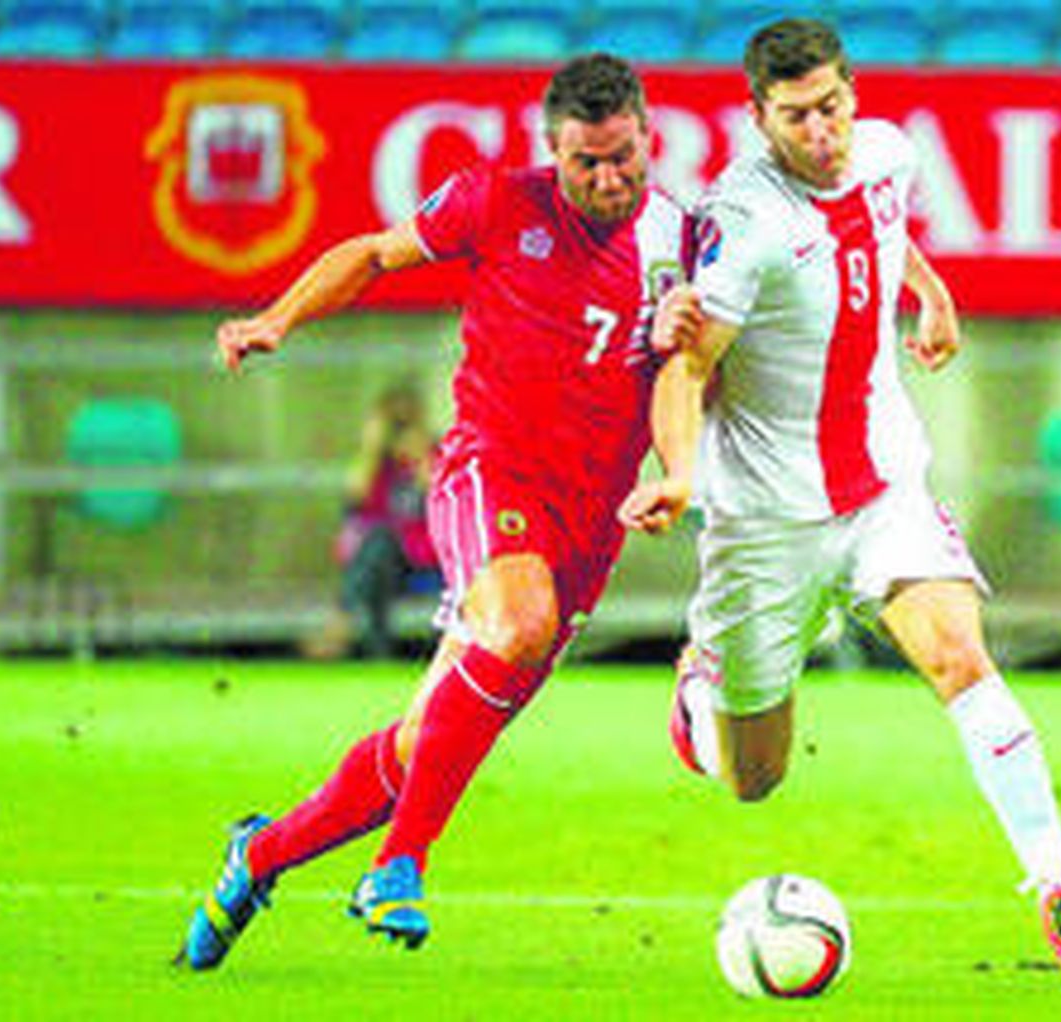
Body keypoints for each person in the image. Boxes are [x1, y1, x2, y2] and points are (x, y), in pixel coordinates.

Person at [176, 53, 698, 969]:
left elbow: (684, 378)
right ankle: (398, 865)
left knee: (425, 747)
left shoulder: (685, 243)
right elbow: (373, 255)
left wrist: (680, 466)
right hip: (490, 472)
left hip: (588, 527)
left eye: (625, 158)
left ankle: (255, 856)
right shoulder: (495, 202)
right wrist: (276, 321)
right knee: (519, 622)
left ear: (650, 138)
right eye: (587, 163)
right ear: (553, 153)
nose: (610, 179)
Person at [617, 18, 1061, 972]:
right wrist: (677, 473)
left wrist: (930, 288)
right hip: (767, 522)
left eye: (833, 105)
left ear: (853, 94)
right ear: (760, 118)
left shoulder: (889, 152)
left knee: (960, 656)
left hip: (884, 485)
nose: (823, 131)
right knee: (752, 779)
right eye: (796, 116)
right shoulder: (744, 223)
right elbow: (686, 367)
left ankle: (1053, 883)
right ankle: (700, 688)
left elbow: (880, 235)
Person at [306, 381, 438, 660]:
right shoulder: (378, 464)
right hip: (383, 561)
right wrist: (371, 449)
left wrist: (419, 459)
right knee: (380, 543)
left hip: (425, 559)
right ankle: (376, 649)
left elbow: (444, 499)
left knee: (380, 546)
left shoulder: (436, 454)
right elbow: (355, 501)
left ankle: (340, 621)